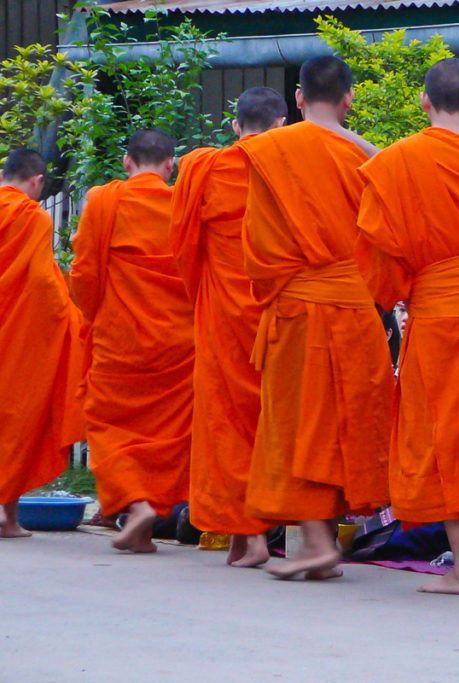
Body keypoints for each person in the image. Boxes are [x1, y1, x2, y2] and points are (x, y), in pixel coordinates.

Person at [356, 57, 459, 595]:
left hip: (439, 312)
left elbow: (379, 256)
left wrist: (397, 294)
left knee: (447, 434)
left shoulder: (397, 162)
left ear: (423, 102)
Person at [239, 56, 393, 580]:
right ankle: (318, 547)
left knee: (299, 420)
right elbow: (388, 241)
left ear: (299, 100)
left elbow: (257, 250)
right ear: (348, 99)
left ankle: (318, 544)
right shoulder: (372, 158)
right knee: (341, 421)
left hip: (299, 307)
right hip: (354, 309)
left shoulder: (266, 152)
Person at [169, 87, 288, 568]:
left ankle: (247, 535)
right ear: (281, 125)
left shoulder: (205, 167)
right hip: (276, 312)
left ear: (236, 127)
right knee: (269, 420)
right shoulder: (290, 165)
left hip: (223, 312)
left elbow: (182, 246)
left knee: (226, 420)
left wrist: (200, 291)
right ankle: (253, 534)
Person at [70, 130, 195, 554]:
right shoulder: (184, 204)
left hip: (120, 340)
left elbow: (84, 274)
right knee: (169, 433)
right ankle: (146, 518)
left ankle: (137, 505)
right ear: (171, 163)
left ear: (126, 162)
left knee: (107, 425)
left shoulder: (105, 201)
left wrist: (91, 316)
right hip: (179, 343)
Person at [0, 149, 86, 538]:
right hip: (18, 335)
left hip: (11, 323)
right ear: (36, 182)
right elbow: (39, 281)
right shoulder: (31, 216)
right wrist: (71, 315)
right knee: (16, 417)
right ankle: (9, 517)